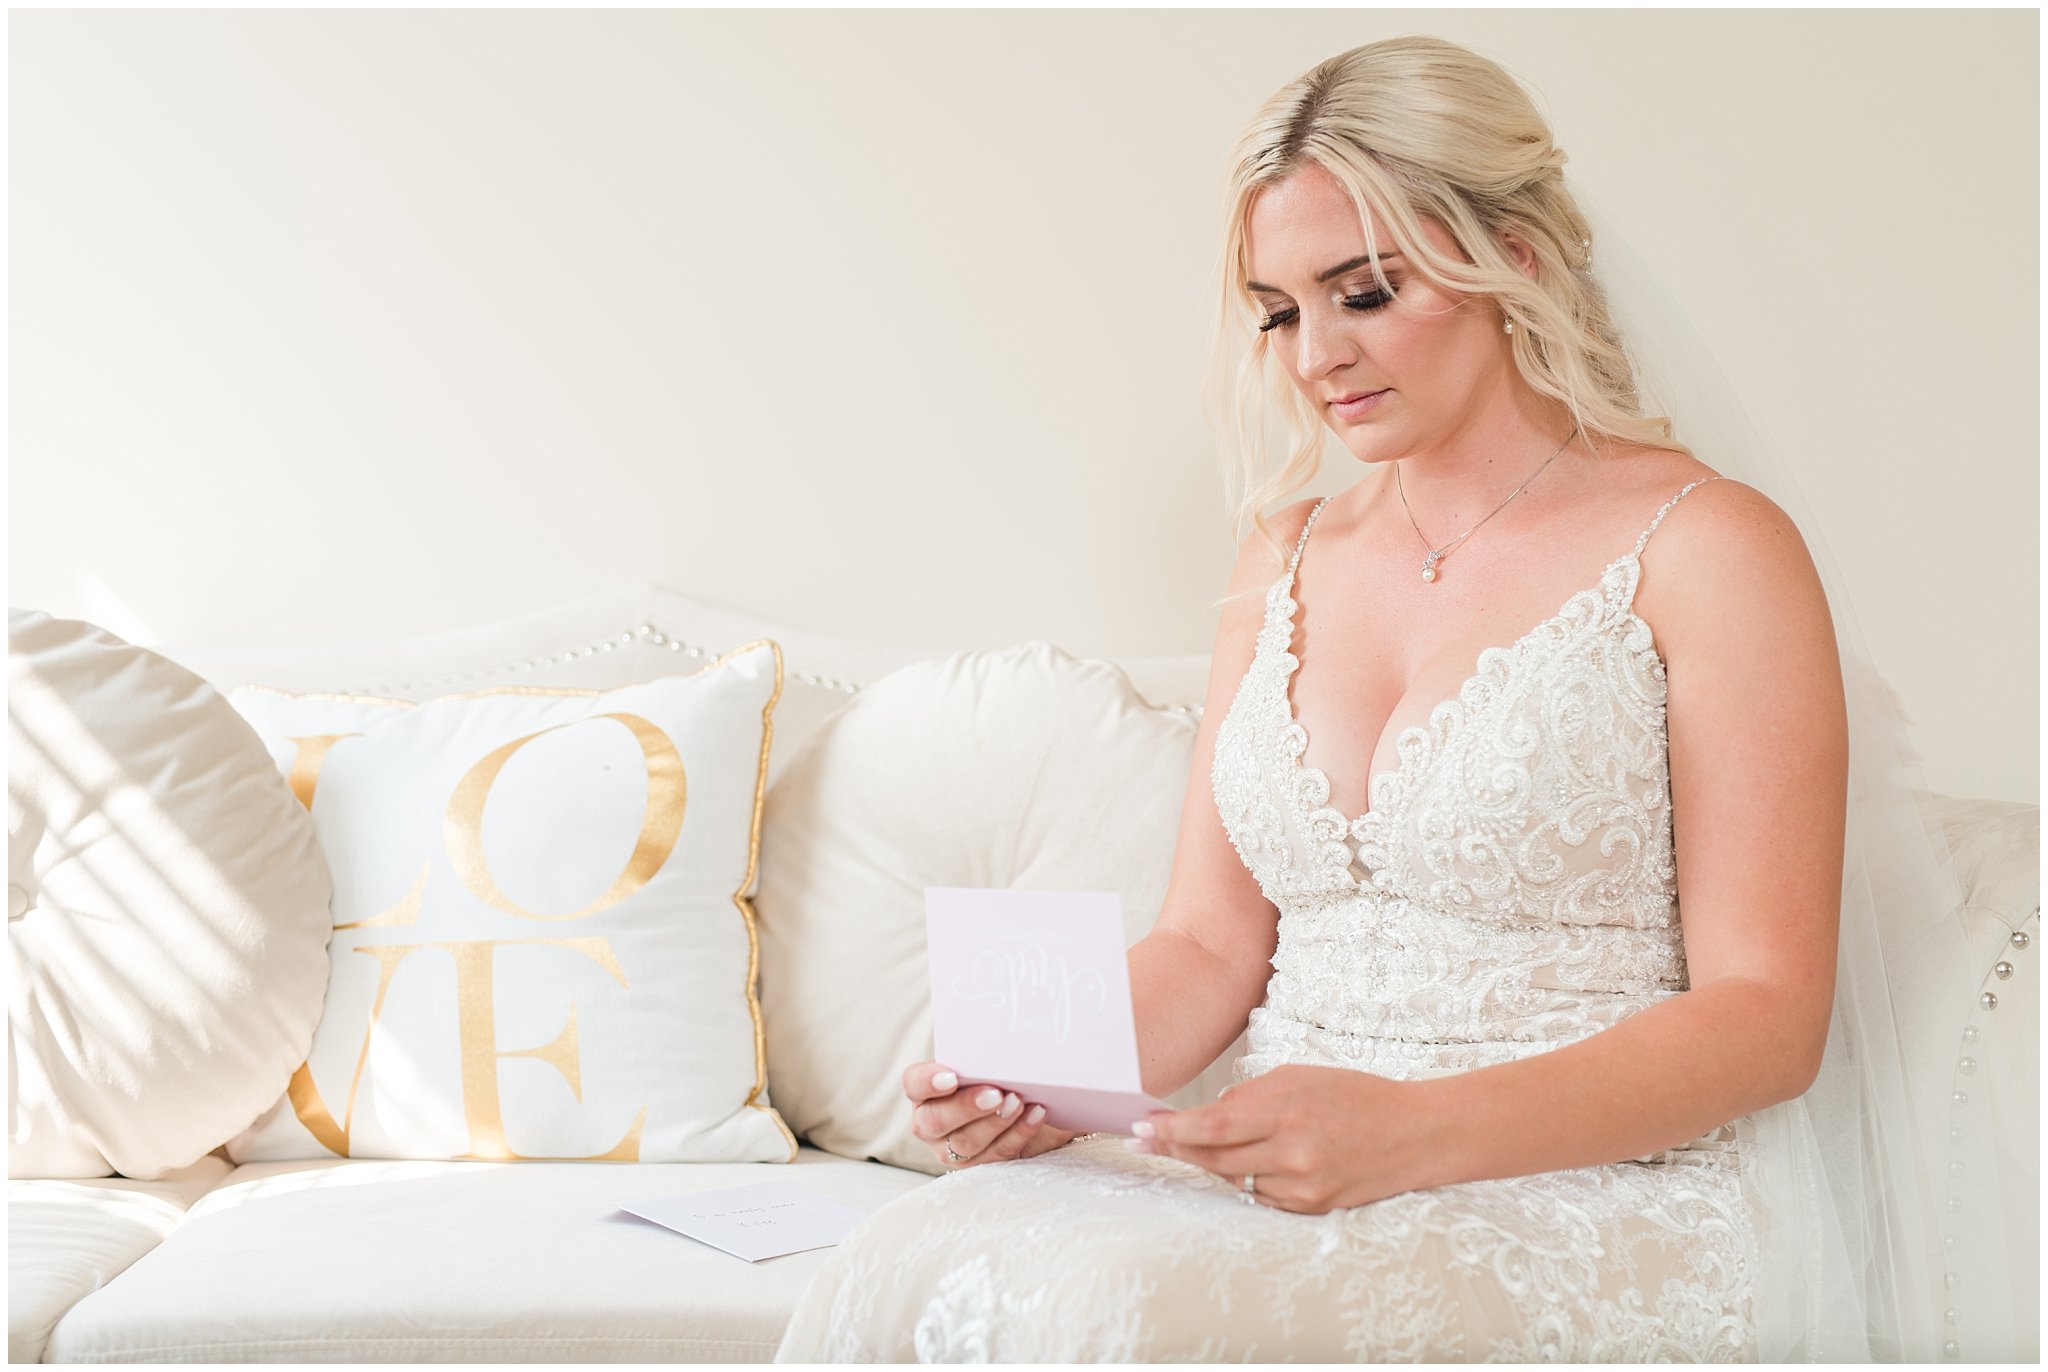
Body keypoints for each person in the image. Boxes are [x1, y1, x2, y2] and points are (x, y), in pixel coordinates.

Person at [774, 34, 2017, 1362]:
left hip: (1590, 1190)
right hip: (1284, 1175)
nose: (1312, 355)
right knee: (910, 1251)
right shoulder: (1286, 551)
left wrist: (1410, 1132)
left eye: (1362, 292)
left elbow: (1767, 1017)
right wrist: (1037, 1076)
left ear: (1516, 260)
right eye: (1278, 309)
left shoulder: (1709, 550)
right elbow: (1206, 948)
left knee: (1114, 1312)